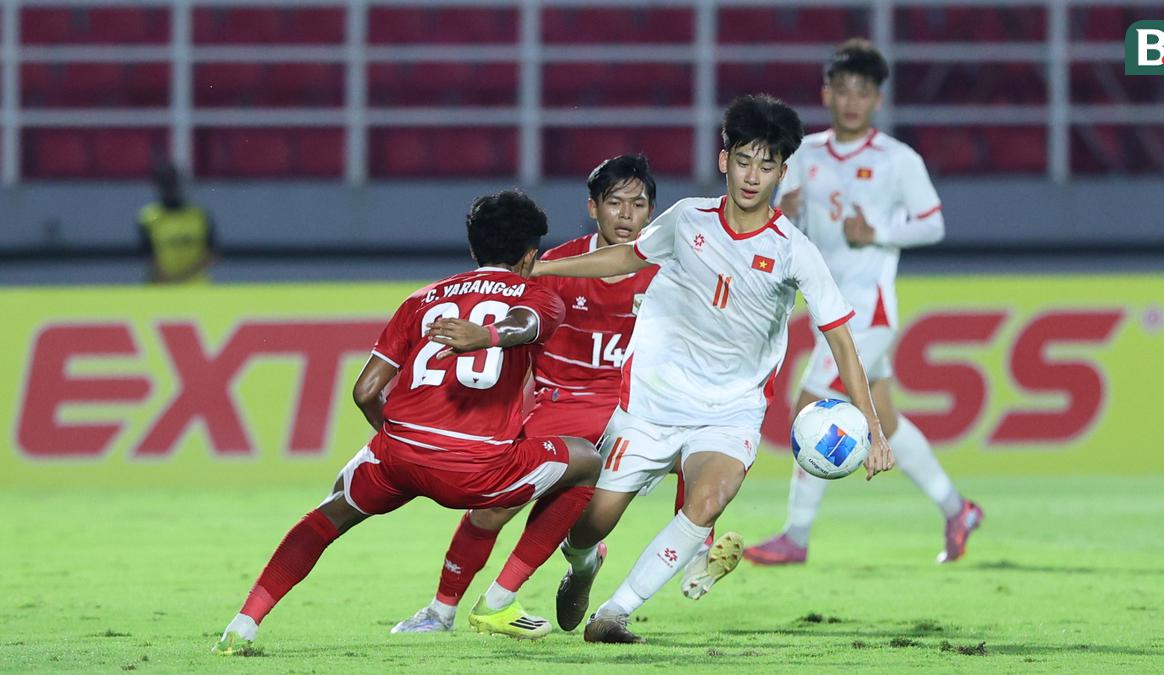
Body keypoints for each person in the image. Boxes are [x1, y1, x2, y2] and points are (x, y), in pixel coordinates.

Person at [534, 94, 895, 644]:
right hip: (654, 402)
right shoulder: (686, 219)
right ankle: (583, 566)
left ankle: (615, 614)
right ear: (724, 160)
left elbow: (841, 340)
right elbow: (627, 257)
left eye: (767, 164)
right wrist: (543, 265)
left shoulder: (794, 251)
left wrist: (870, 425)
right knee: (591, 524)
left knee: (708, 500)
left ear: (782, 172)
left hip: (730, 410)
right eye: (744, 160)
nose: (754, 176)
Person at [212, 191, 601, 653]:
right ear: (531, 256)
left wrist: (398, 442)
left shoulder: (424, 298)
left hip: (397, 452)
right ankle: (499, 599)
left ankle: (243, 624)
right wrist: (490, 336)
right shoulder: (540, 295)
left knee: (327, 514)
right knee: (586, 460)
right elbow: (526, 323)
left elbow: (364, 391)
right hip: (477, 467)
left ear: (474, 250)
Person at [390, 154, 659, 634]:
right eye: (614, 202)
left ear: (651, 212)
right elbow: (495, 309)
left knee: (610, 511)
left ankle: (580, 565)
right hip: (559, 403)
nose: (626, 214)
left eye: (638, 204)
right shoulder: (552, 267)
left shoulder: (669, 273)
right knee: (494, 504)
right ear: (593, 208)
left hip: (634, 410)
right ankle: (441, 610)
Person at [745, 39, 983, 568]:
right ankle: (957, 508)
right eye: (843, 90)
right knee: (888, 420)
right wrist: (783, 208)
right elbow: (779, 222)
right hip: (829, 304)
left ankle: (797, 536)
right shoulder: (804, 153)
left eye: (863, 91)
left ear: (878, 99)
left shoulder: (898, 160)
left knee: (810, 403)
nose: (852, 100)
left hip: (868, 310)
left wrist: (877, 231)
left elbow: (934, 223)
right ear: (827, 93)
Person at [137, 163, 217, 284]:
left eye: (173, 183)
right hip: (162, 287)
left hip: (197, 289)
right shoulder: (148, 217)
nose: (170, 188)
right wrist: (167, 278)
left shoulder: (199, 215)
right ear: (158, 186)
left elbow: (211, 254)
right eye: (165, 183)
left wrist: (184, 278)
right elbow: (148, 256)